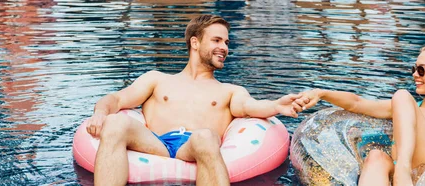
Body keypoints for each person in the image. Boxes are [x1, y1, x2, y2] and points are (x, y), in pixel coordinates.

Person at [84, 15, 304, 186]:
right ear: (195, 42)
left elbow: (250, 106)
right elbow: (116, 98)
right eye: (216, 40)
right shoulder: (157, 80)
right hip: (156, 143)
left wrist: (277, 105)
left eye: (226, 42)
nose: (224, 48)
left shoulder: (229, 91)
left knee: (205, 136)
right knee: (115, 123)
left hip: (194, 146)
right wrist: (100, 114)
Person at [296, 42, 425, 185]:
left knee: (400, 95)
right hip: (399, 170)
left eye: (422, 70)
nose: (415, 75)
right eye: (413, 69)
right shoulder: (407, 108)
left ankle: (403, 173)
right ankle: (401, 173)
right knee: (376, 157)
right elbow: (356, 103)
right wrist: (321, 93)